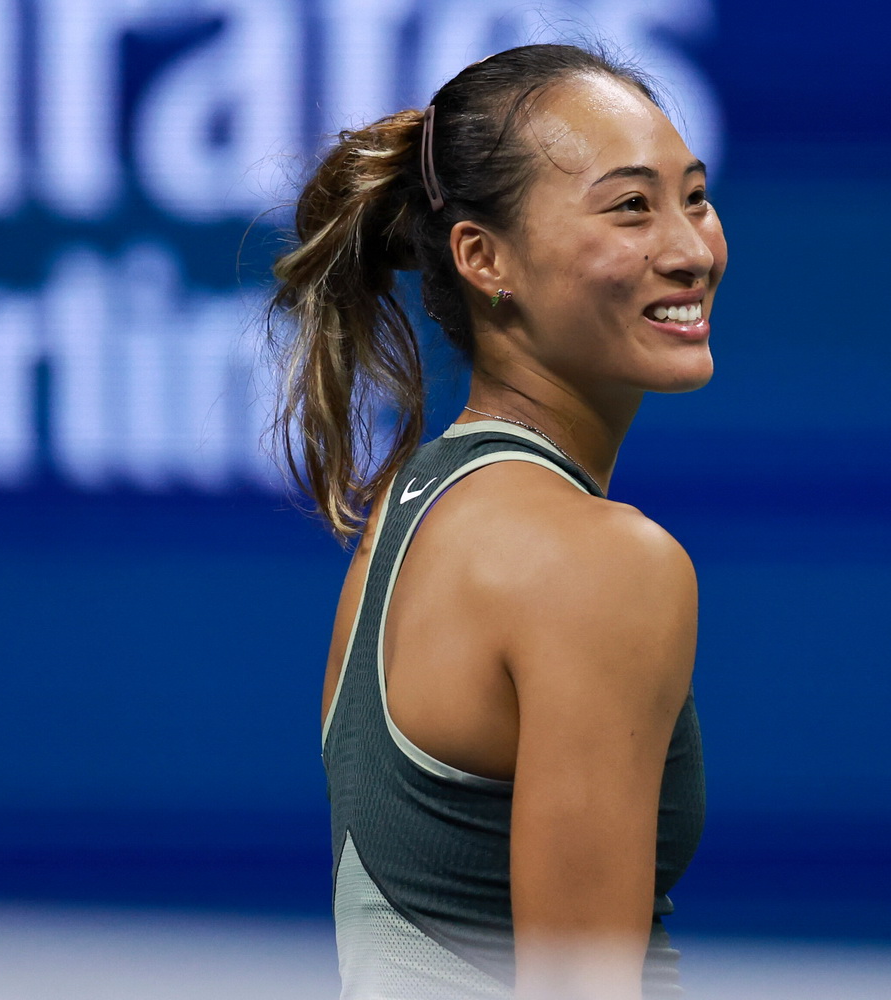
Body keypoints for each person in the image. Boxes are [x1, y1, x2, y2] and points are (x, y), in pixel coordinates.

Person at [268, 43, 727, 1000]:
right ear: (484, 258)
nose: (691, 249)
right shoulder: (599, 562)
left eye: (694, 196)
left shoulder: (411, 515)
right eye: (630, 207)